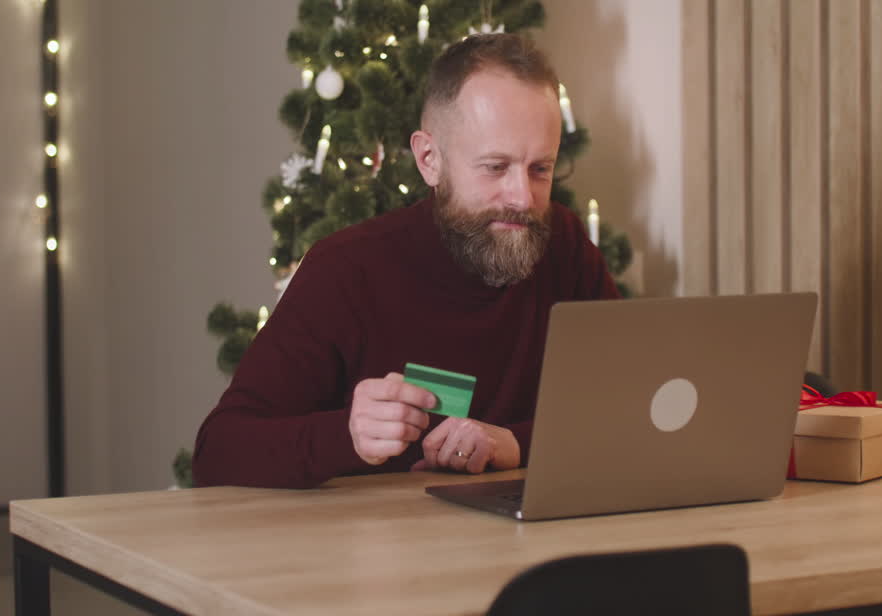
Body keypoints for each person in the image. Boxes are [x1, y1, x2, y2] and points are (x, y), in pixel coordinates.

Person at [192, 33, 619, 489]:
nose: (522, 197)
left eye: (541, 169)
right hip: (375, 551)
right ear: (429, 159)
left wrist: (513, 445)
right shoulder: (346, 269)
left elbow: (625, 407)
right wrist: (347, 434)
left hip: (529, 545)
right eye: (495, 167)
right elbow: (219, 451)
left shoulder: (565, 247)